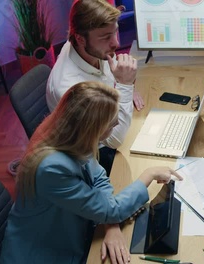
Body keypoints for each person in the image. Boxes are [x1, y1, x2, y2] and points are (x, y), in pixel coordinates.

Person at [1, 81, 181, 264]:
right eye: (112, 124)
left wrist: (110, 222)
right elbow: (111, 208)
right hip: (45, 254)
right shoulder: (52, 169)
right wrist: (147, 175)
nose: (117, 124)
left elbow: (99, 179)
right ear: (91, 129)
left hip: (70, 228)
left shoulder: (72, 137)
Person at [46, 0, 144, 176]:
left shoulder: (86, 47)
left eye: (115, 32)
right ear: (80, 39)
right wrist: (125, 86)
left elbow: (106, 78)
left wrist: (121, 85)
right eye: (106, 37)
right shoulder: (72, 87)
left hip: (104, 125)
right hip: (92, 154)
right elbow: (114, 139)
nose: (115, 43)